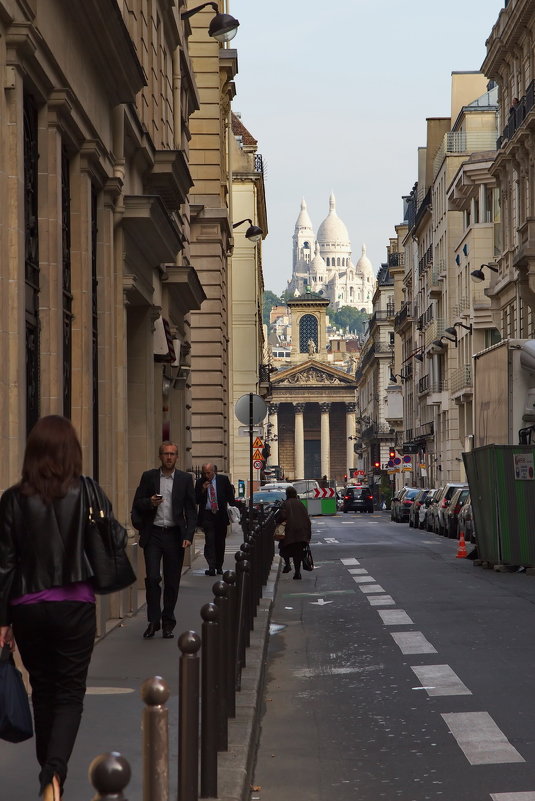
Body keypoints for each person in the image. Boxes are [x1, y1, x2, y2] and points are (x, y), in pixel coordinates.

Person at [0, 415, 105, 801]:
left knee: (42, 690)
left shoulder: (13, 498)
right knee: (69, 693)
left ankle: (49, 776)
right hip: (74, 604)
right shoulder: (87, 492)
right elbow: (106, 539)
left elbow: (4, 564)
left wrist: (1, 621)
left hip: (27, 606)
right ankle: (54, 774)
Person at [131, 441, 196, 639]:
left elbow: (191, 510)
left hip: (175, 535)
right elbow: (137, 503)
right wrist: (149, 503)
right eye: (166, 454)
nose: (169, 457)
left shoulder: (185, 479)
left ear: (177, 457)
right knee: (152, 578)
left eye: (173, 454)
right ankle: (153, 620)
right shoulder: (149, 477)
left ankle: (168, 621)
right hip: (154, 534)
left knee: (172, 581)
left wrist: (188, 535)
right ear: (160, 456)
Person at [195, 463, 236, 576]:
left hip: (220, 515)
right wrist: (203, 489)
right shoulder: (200, 482)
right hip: (207, 515)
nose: (206, 475)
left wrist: (233, 505)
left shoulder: (223, 480)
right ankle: (211, 567)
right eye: (204, 473)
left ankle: (219, 566)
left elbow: (230, 496)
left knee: (220, 542)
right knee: (210, 541)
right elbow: (196, 499)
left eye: (208, 473)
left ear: (214, 472)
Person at [277, 486, 311, 580]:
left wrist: (278, 520)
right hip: (301, 533)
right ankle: (297, 572)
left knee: (284, 549)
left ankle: (287, 565)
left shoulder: (285, 504)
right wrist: (308, 535)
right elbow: (307, 520)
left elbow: (282, 516)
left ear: (287, 494)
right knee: (298, 554)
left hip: (289, 532)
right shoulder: (301, 504)